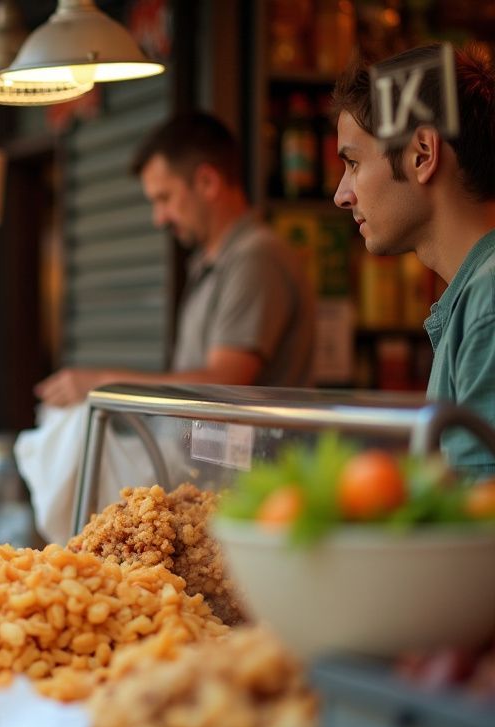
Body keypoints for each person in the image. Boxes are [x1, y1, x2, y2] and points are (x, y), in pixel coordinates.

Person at [36, 112, 316, 406]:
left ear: (208, 182)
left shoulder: (256, 256)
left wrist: (101, 384)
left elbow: (225, 383)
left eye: (165, 198)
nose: (159, 219)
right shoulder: (213, 260)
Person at [333, 44, 495, 475]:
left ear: (422, 154)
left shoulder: (488, 304)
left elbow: (479, 522)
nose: (341, 194)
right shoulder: (474, 294)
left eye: (352, 162)